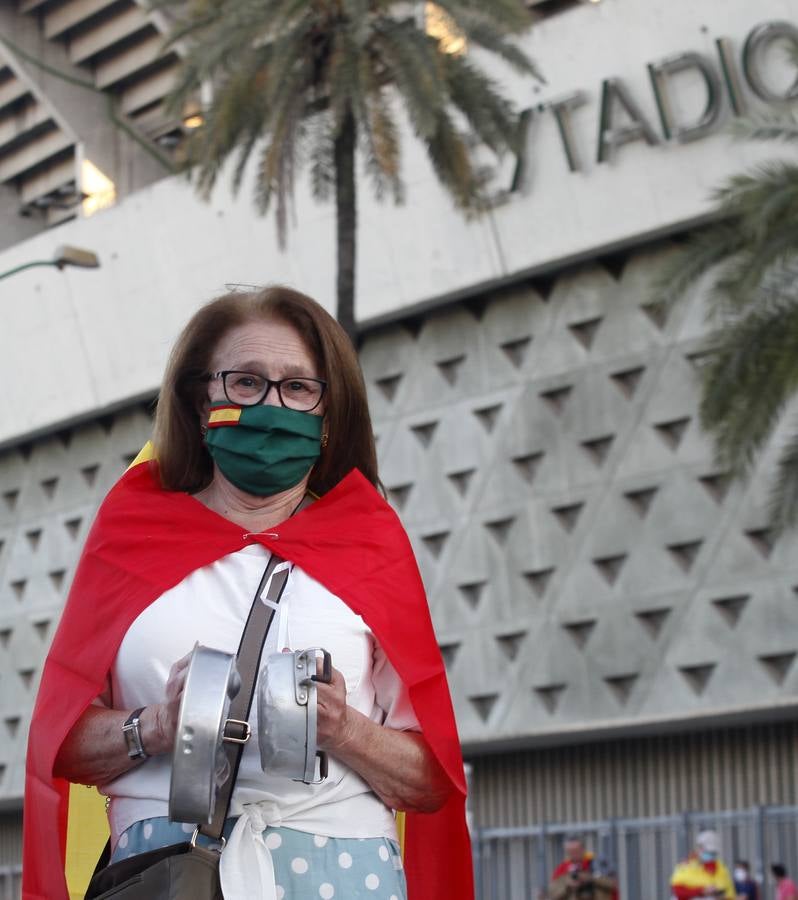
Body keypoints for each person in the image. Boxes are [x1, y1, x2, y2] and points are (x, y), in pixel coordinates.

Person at [23, 286, 473, 900]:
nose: (271, 404)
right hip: (167, 875)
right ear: (201, 399)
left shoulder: (371, 542)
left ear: (326, 417)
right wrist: (157, 725)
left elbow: (430, 782)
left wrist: (345, 729)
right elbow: (62, 741)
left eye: (297, 387)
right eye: (245, 382)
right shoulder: (131, 534)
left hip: (344, 876)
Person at [547, 835, 619, 900]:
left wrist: (591, 878)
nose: (573, 854)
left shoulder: (597, 863)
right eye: (570, 851)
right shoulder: (562, 869)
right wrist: (568, 886)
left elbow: (613, 884)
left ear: (583, 849)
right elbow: (553, 894)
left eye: (576, 850)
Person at [670, 830, 735, 899]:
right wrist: (702, 891)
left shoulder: (721, 867)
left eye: (713, 853)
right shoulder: (685, 866)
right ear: (699, 848)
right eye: (708, 852)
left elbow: (729, 893)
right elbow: (677, 892)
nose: (711, 855)